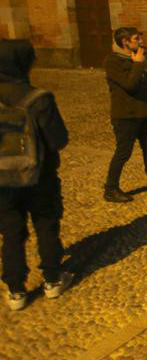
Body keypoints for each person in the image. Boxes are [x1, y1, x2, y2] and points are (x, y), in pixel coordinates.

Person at [0, 40, 73, 310]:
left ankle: (16, 290)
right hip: (39, 175)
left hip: (2, 181)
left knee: (10, 232)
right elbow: (58, 140)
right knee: (46, 225)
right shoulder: (38, 99)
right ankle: (52, 279)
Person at [104, 27, 147, 203]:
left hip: (143, 111)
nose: (140, 42)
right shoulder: (113, 61)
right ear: (125, 42)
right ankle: (110, 189)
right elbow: (129, 84)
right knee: (123, 152)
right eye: (136, 39)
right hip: (125, 114)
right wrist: (138, 63)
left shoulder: (137, 56)